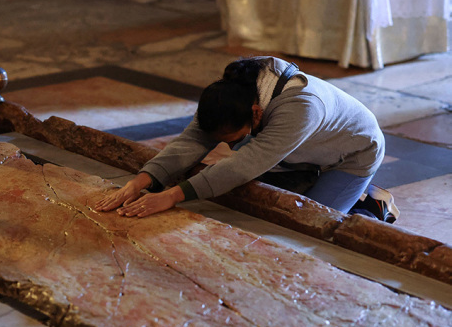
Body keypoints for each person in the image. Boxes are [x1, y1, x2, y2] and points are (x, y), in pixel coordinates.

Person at [95, 56, 389, 219]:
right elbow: (194, 138)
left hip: (351, 155)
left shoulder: (301, 107)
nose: (229, 146)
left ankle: (370, 204)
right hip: (298, 147)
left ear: (256, 113)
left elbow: (242, 165)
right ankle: (311, 178)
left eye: (232, 140)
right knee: (253, 195)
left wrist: (171, 196)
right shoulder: (231, 91)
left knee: (313, 222)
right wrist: (141, 181)